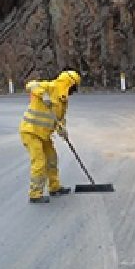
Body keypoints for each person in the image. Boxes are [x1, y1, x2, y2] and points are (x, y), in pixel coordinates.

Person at [19, 70, 81, 203]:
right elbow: (30, 85)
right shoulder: (49, 87)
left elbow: (60, 119)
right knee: (39, 162)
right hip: (30, 132)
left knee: (52, 159)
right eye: (73, 87)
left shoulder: (63, 101)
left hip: (44, 134)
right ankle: (35, 194)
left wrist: (62, 130)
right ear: (68, 84)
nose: (74, 91)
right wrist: (43, 94)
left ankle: (55, 187)